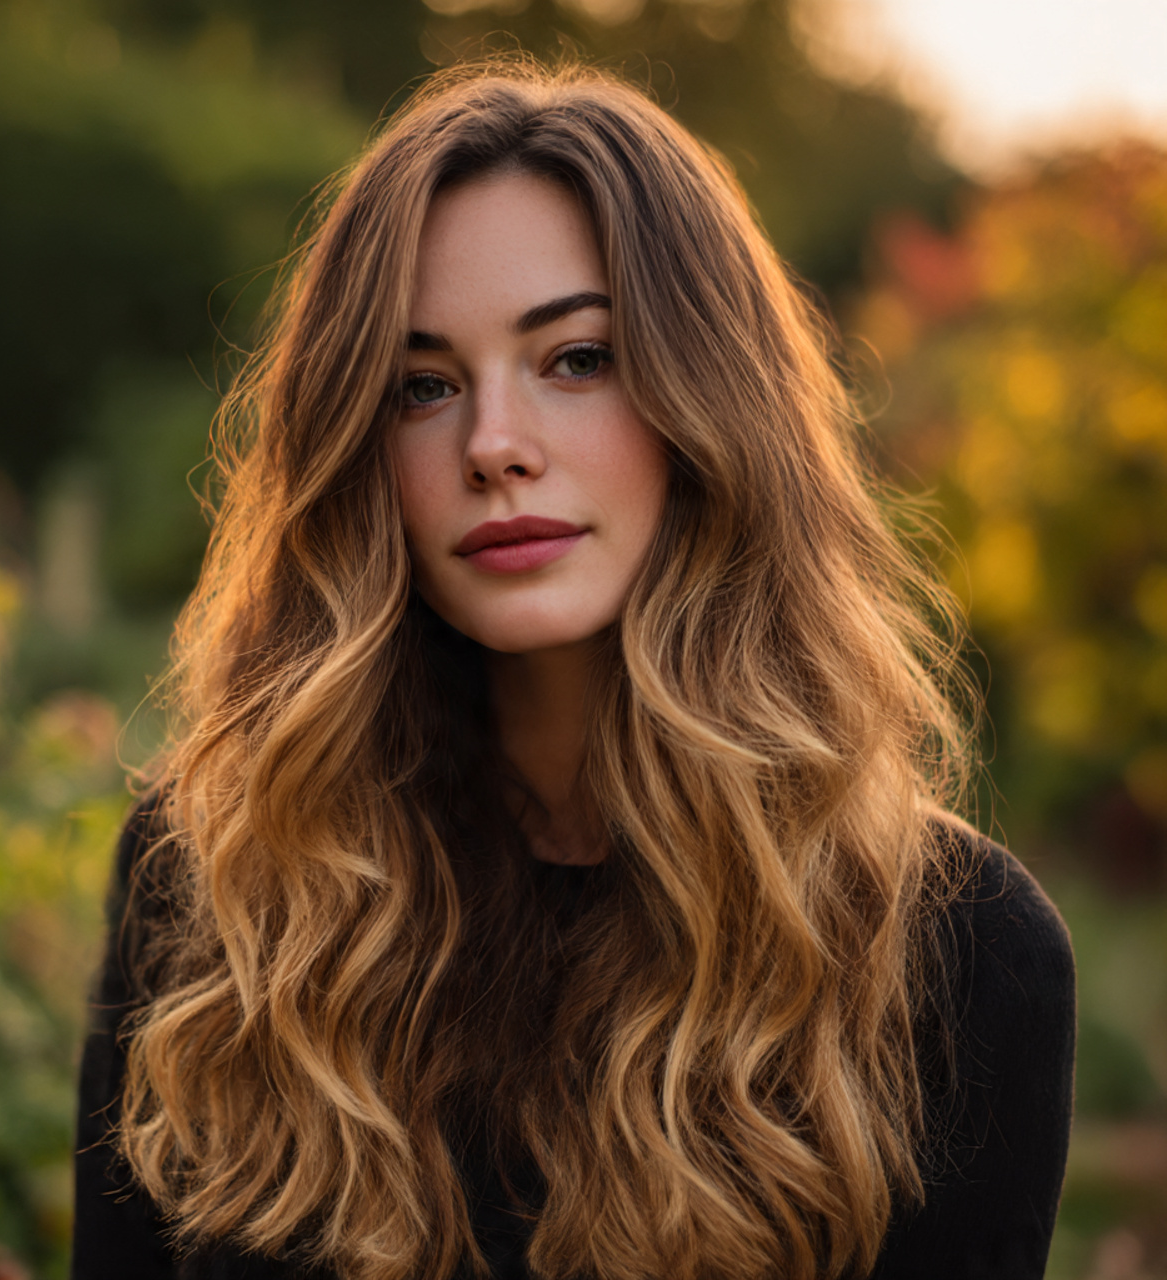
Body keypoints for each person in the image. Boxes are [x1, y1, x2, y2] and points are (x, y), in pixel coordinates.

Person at [72, 60, 1076, 1280]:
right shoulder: (222, 883)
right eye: (421, 386)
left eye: (575, 359)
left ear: (708, 401)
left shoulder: (952, 952)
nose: (494, 445)